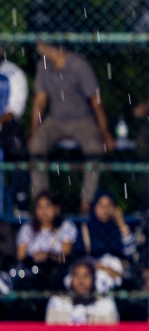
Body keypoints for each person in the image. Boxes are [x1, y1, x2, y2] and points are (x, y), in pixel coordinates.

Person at [29, 41, 111, 207]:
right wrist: (33, 131)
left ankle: (87, 202)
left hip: (82, 118)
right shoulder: (43, 65)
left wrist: (105, 132)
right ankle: (42, 201)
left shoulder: (79, 65)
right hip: (55, 119)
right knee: (35, 146)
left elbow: (95, 100)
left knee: (94, 149)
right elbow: (40, 100)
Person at [80, 190, 138, 292]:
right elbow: (78, 257)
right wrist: (101, 267)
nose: (105, 210)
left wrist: (121, 223)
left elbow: (131, 253)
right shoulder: (85, 230)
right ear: (94, 207)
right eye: (101, 205)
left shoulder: (119, 229)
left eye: (109, 205)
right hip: (93, 272)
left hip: (118, 274)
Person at [17, 189, 77, 287]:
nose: (43, 211)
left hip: (55, 270)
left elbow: (65, 257)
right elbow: (20, 256)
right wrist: (35, 256)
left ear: (56, 209)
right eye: (40, 207)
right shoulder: (27, 228)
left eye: (48, 206)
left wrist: (48, 255)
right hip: (32, 270)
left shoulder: (66, 226)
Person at [46, 258, 119, 325]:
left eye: (85, 276)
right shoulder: (57, 303)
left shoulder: (105, 305)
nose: (81, 281)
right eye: (76, 276)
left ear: (93, 279)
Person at [0, 54, 27, 216]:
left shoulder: (13, 73)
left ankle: (20, 202)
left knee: (17, 147)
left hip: (6, 126)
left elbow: (15, 108)